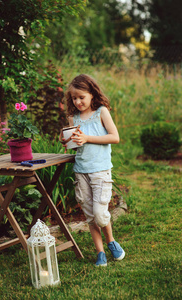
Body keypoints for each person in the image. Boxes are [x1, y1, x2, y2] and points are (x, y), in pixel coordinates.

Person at [61, 74, 125, 267]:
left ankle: (111, 241)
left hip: (100, 170)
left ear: (92, 94)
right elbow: (76, 144)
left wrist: (87, 138)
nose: (78, 101)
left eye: (82, 97)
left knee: (99, 213)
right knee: (90, 216)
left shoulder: (101, 112)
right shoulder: (74, 117)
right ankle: (101, 253)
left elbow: (114, 137)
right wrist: (66, 140)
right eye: (74, 98)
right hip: (81, 171)